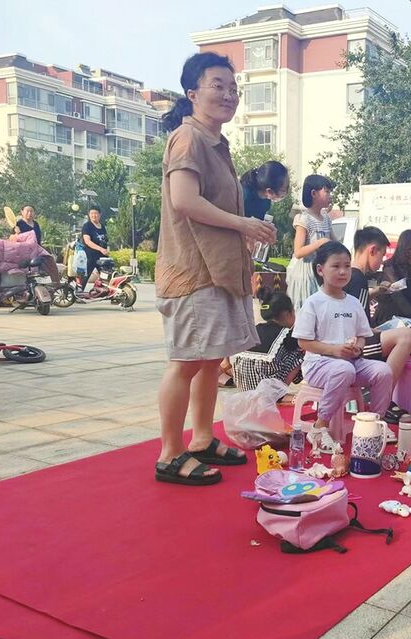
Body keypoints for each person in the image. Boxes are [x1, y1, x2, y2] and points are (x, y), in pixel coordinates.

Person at [153, 52, 277, 486]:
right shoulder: (187, 139)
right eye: (217, 85)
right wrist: (243, 223)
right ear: (193, 94)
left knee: (210, 362)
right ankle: (170, 454)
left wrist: (246, 232)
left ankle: (202, 438)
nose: (228, 94)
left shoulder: (216, 144)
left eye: (233, 88)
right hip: (192, 273)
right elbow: (184, 201)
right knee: (186, 362)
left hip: (218, 270)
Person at [294, 241, 393, 454]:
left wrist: (357, 347)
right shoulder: (313, 303)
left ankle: (375, 423)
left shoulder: (353, 303)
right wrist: (334, 350)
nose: (343, 271)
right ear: (320, 269)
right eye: (336, 266)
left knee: (384, 371)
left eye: (347, 266)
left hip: (351, 363)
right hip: (318, 365)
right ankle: (319, 427)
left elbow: (362, 336)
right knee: (343, 369)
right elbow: (303, 342)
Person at [345, 226, 411, 422]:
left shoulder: (351, 276)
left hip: (350, 340)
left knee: (404, 330)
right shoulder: (358, 278)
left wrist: (376, 292)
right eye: (381, 255)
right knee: (407, 335)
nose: (380, 263)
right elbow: (357, 326)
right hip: (353, 346)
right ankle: (383, 399)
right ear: (372, 250)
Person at [224, 290, 305, 397]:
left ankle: (276, 393)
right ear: (287, 314)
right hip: (266, 390)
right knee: (300, 353)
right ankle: (279, 395)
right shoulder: (286, 334)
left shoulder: (256, 329)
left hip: (243, 386)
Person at [287, 174, 336, 309]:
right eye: (326, 191)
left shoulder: (326, 218)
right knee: (307, 311)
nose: (329, 195)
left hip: (322, 272)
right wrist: (319, 243)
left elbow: (335, 243)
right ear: (313, 193)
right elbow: (298, 252)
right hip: (306, 274)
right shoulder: (304, 219)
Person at [375, 229, 411, 326]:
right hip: (391, 319)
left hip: (410, 318)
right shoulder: (391, 268)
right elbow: (399, 298)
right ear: (409, 248)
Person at [81, 205, 110, 290]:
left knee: (107, 273)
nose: (94, 215)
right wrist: (100, 249)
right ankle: (78, 293)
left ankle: (109, 293)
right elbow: (87, 241)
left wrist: (105, 250)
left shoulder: (102, 226)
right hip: (90, 255)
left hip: (102, 255)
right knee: (86, 274)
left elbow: (105, 240)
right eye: (92, 213)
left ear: (100, 215)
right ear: (89, 215)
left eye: (96, 213)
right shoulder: (87, 226)